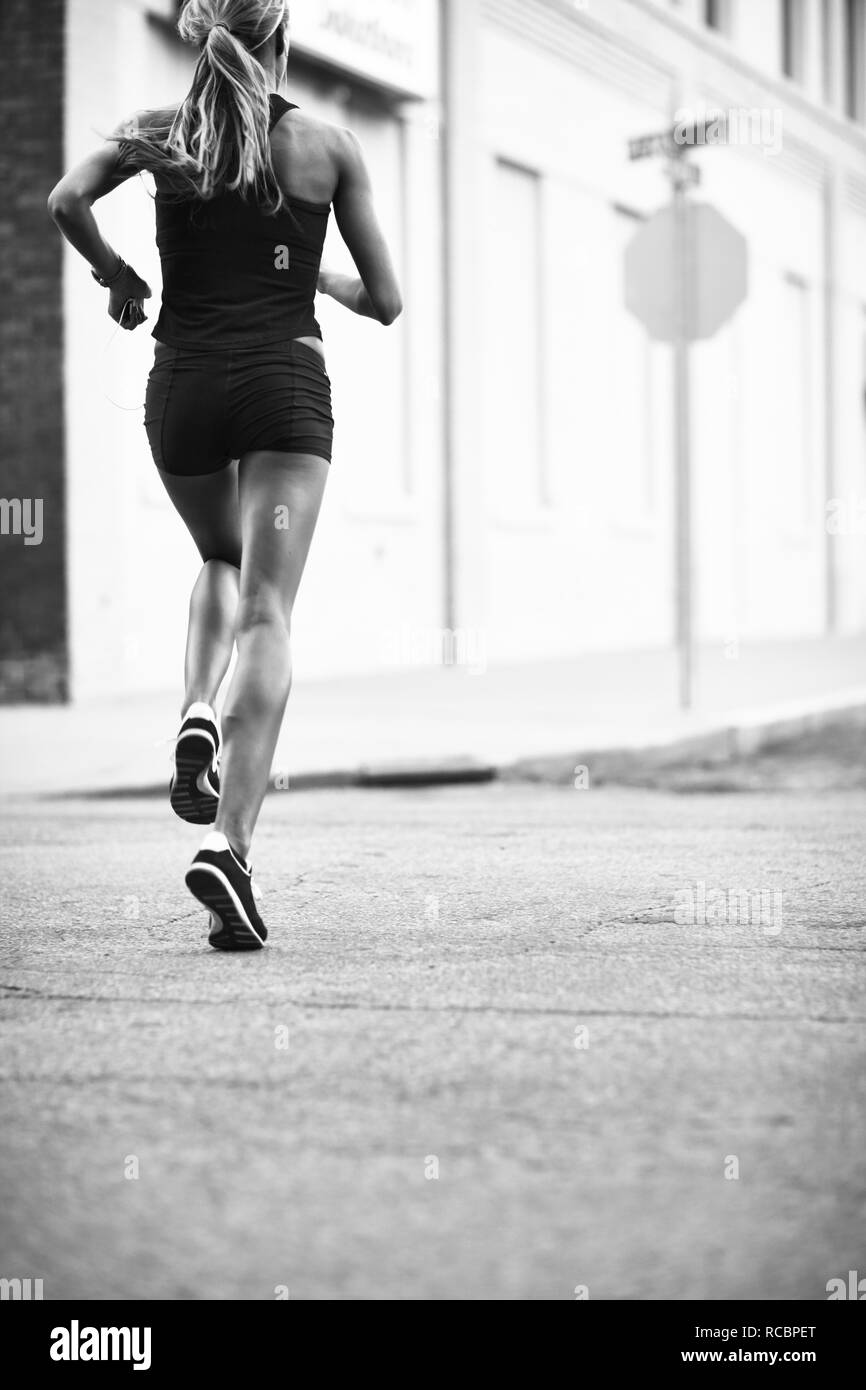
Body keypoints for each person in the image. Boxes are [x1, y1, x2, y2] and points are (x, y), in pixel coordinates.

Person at [48, 0, 402, 952]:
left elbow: (64, 200)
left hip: (184, 390)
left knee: (218, 557)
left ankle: (197, 708)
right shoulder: (329, 146)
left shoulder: (165, 135)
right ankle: (229, 846)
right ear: (281, 42)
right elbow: (389, 300)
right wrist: (315, 280)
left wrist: (118, 275)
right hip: (285, 389)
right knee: (269, 613)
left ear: (202, 35)